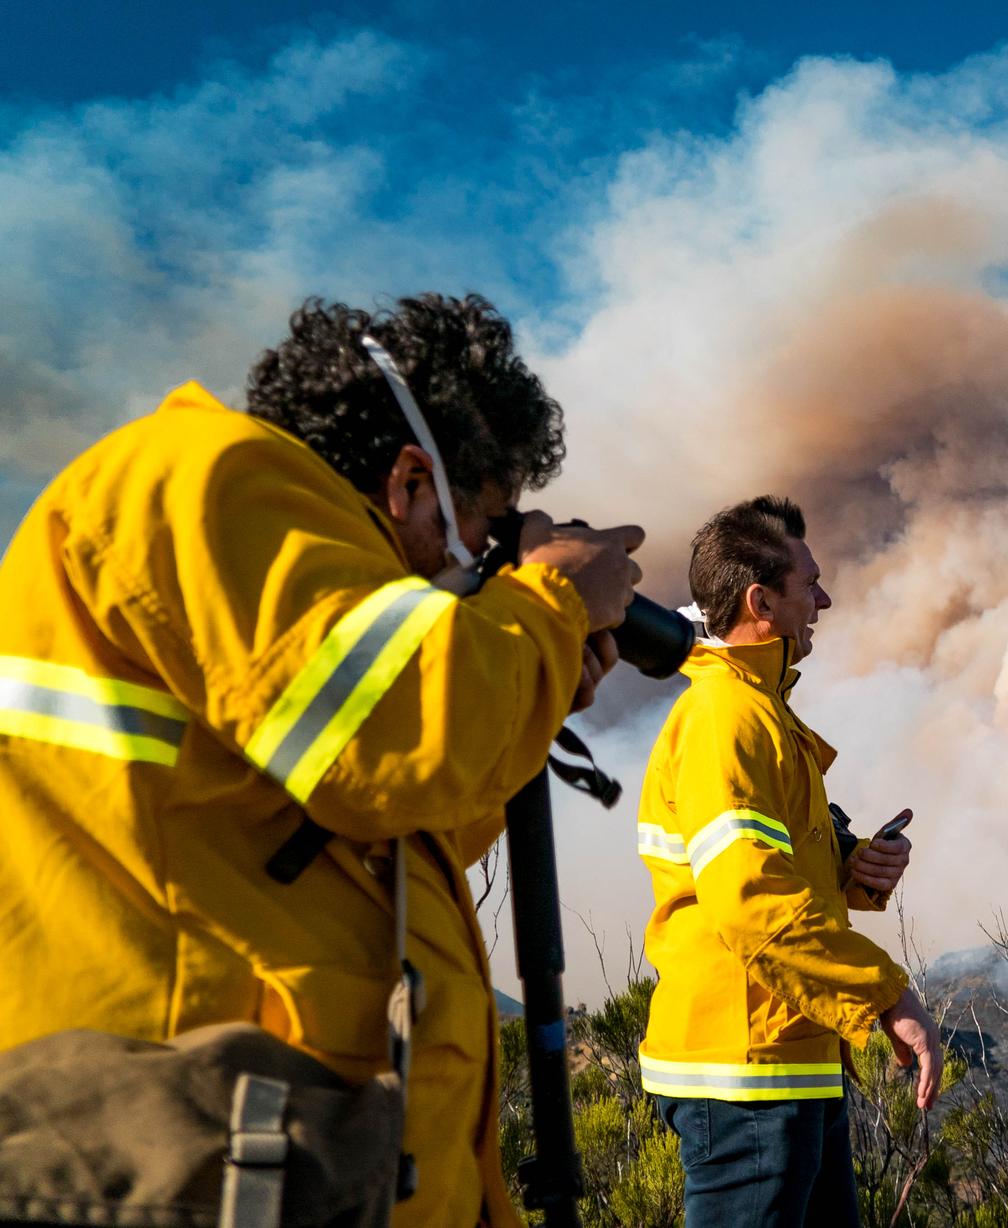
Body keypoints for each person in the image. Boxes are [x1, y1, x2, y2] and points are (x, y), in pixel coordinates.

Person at [0, 293, 642, 1227]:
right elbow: (392, 748)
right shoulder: (212, 472)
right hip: (171, 1143)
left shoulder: (289, 588)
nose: (483, 564)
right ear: (412, 483)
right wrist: (548, 606)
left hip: (258, 1147)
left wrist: (528, 687)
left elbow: (381, 832)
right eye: (487, 524)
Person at [635, 495, 940, 1227]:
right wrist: (886, 995)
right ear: (760, 600)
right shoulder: (726, 719)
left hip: (786, 1063)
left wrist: (850, 867)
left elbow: (769, 864)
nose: (825, 600)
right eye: (811, 585)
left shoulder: (760, 711)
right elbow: (750, 904)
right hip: (746, 1081)